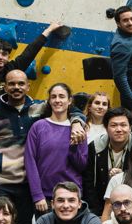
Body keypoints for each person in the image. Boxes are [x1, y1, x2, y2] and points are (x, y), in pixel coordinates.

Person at [0, 69, 39, 224]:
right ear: (5, 87)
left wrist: (77, 121)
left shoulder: (39, 110)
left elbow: (69, 108)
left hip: (28, 184)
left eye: (21, 83)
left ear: (28, 86)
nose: (16, 87)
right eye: (11, 83)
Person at [0, 21, 60, 114]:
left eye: (4, 54)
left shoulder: (11, 69)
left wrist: (49, 29)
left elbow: (30, 52)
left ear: (8, 57)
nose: (0, 57)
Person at [25, 84, 89, 216]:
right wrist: (37, 195)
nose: (57, 100)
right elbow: (30, 162)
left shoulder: (78, 129)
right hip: (46, 197)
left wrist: (74, 146)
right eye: (53, 97)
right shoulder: (38, 127)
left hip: (71, 196)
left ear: (69, 100)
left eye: (62, 96)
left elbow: (82, 165)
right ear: (49, 100)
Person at [84, 108, 132, 217]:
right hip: (99, 207)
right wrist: (96, 212)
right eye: (114, 125)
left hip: (130, 208)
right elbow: (88, 182)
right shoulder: (95, 146)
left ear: (130, 127)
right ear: (106, 128)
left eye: (123, 125)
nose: (119, 129)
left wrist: (124, 175)